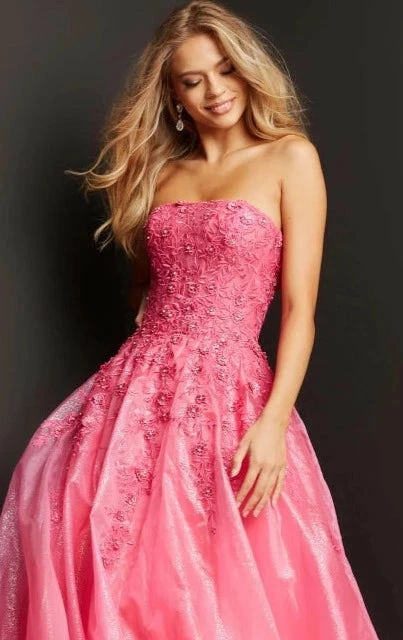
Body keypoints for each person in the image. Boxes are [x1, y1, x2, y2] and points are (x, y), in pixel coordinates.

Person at [0, 1, 380, 638]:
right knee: (105, 553)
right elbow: (147, 288)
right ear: (174, 95)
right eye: (193, 80)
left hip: (233, 401)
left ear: (246, 69)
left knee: (218, 577)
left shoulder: (290, 158)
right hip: (136, 396)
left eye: (225, 69)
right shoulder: (162, 174)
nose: (215, 90)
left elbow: (299, 311)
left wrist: (274, 422)